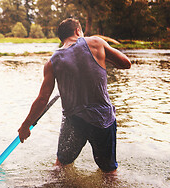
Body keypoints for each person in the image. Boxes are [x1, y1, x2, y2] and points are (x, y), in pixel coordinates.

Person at [18, 18, 131, 173]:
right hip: (103, 120)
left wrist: (25, 125)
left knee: (61, 166)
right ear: (78, 31)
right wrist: (103, 52)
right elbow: (126, 63)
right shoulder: (96, 43)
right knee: (109, 172)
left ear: (62, 37)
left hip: (74, 121)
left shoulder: (52, 62)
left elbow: (43, 99)